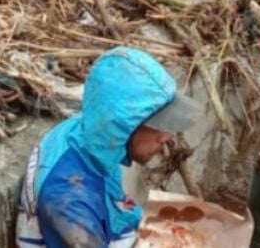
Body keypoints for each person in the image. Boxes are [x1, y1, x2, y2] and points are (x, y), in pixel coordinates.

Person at [16, 46, 203, 248]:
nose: (165, 137)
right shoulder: (71, 206)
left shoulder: (95, 136)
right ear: (124, 126)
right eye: (158, 127)